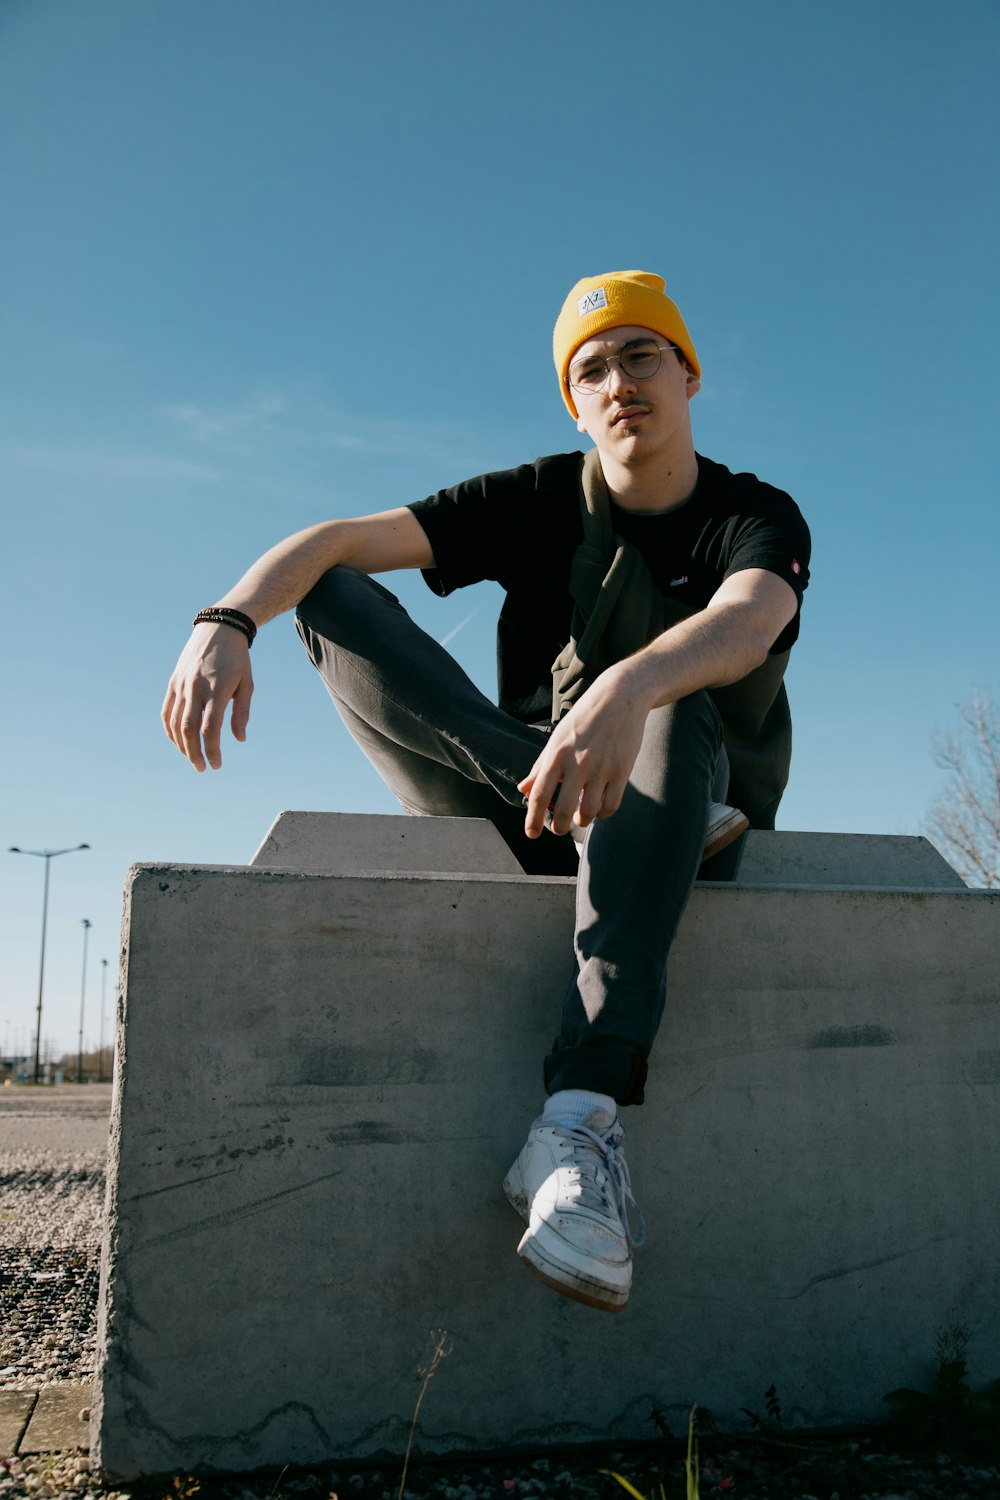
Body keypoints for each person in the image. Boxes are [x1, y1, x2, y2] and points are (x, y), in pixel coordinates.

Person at [163, 270, 811, 1314]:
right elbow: (330, 543)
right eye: (590, 369)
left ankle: (576, 1117)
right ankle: (533, 769)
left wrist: (627, 684)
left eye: (641, 355)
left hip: (684, 812)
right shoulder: (541, 496)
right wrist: (227, 618)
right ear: (573, 400)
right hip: (517, 796)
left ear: (688, 373)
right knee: (324, 593)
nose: (618, 382)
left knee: (670, 696)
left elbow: (748, 620)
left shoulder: (754, 513)